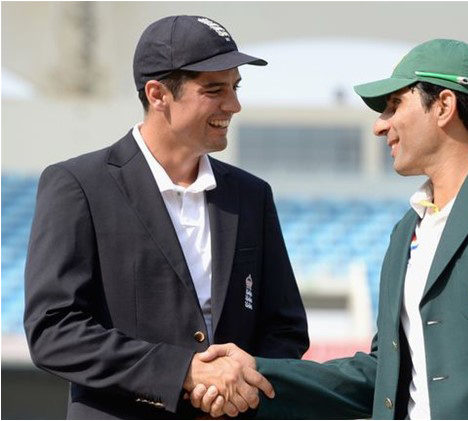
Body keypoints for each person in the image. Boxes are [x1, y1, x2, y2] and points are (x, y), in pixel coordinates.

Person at [191, 39, 468, 419]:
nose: (379, 125)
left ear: (443, 105)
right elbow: (382, 375)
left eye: (392, 105)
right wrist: (256, 371)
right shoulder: (405, 233)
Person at [24, 15, 309, 419]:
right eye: (215, 89)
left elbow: (286, 328)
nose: (234, 105)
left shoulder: (252, 195)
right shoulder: (77, 185)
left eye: (235, 87)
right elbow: (54, 332)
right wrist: (184, 374)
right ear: (158, 94)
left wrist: (242, 381)